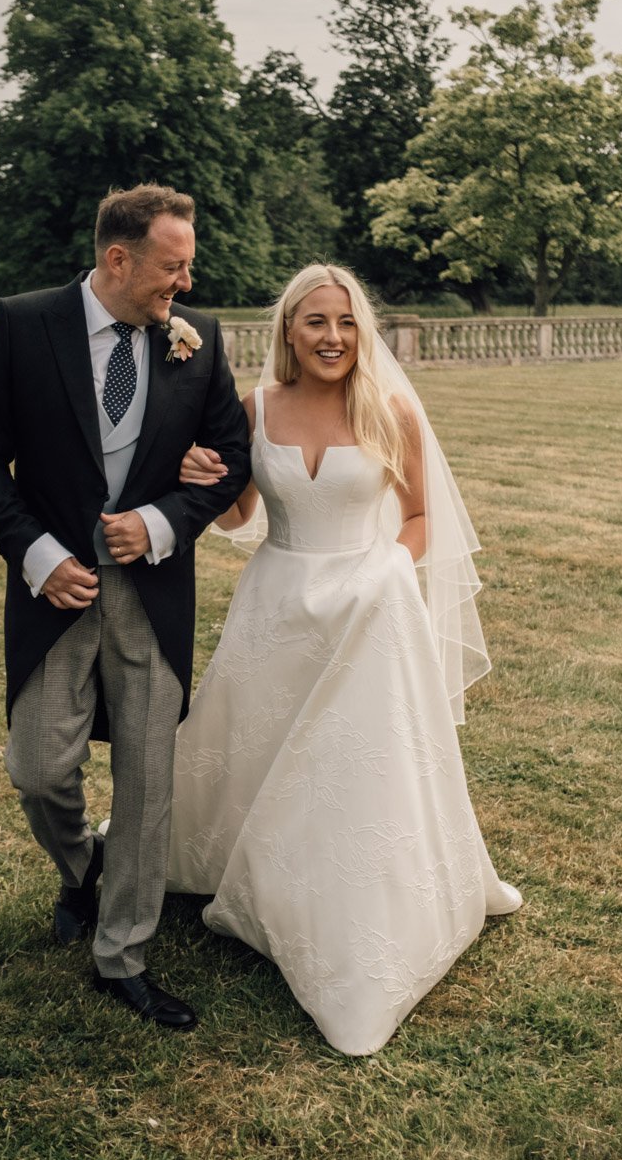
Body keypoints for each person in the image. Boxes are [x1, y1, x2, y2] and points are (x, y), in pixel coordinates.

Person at [167, 263, 521, 1055]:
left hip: (368, 609)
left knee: (350, 764)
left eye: (347, 321)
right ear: (289, 331)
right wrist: (203, 474)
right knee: (256, 742)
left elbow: (423, 516)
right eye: (317, 321)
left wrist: (387, 567)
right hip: (277, 606)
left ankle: (341, 906)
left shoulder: (389, 408)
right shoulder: (257, 408)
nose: (333, 337)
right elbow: (237, 517)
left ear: (364, 330)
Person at [0, 184, 251, 1032]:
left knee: (149, 782)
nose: (185, 284)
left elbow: (231, 459)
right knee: (38, 768)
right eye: (173, 266)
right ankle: (83, 867)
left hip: (152, 594)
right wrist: (38, 557)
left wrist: (160, 521)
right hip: (56, 592)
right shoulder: (23, 324)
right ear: (118, 259)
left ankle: (123, 956)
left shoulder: (199, 339)